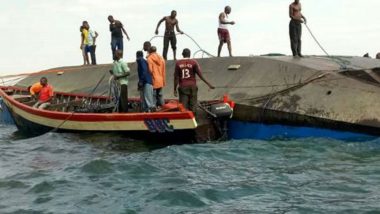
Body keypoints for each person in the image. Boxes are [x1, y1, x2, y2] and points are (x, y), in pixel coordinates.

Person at [174, 48, 215, 113]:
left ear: (182, 54)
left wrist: (174, 89)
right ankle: (194, 118)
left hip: (183, 87)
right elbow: (200, 75)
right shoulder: (194, 62)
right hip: (193, 86)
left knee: (183, 107)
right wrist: (209, 84)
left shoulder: (178, 63)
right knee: (193, 105)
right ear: (190, 54)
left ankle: (186, 120)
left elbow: (176, 77)